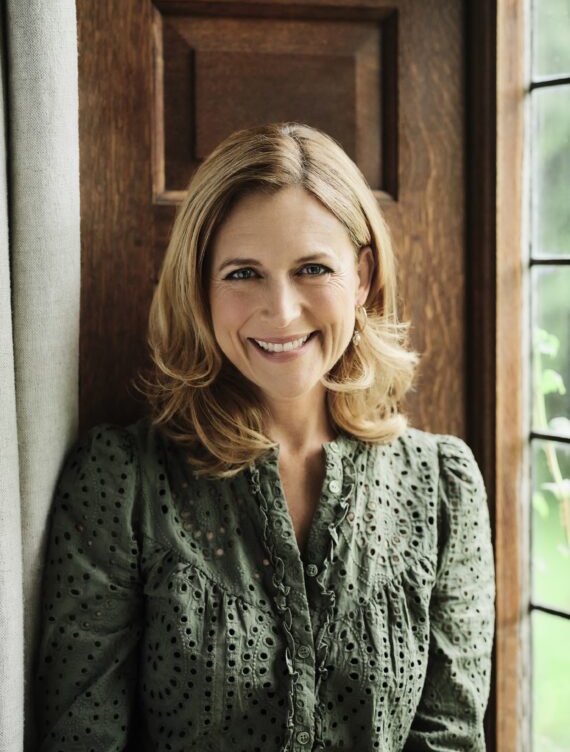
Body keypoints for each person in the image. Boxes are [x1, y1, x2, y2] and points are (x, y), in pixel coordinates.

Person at [35, 122, 495, 751]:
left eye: (312, 268)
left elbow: (452, 740)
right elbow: (81, 739)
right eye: (243, 273)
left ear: (361, 278)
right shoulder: (121, 481)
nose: (280, 310)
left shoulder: (443, 487)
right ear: (201, 285)